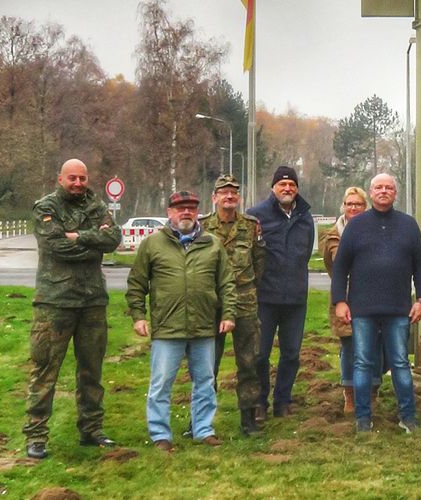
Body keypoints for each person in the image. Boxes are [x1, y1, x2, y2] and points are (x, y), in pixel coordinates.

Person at [23, 159, 122, 460]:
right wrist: (92, 242)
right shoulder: (46, 208)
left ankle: (91, 430)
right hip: (55, 303)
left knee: (92, 371)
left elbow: (113, 238)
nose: (78, 183)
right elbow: (56, 247)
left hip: (92, 301)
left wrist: (78, 236)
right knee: (45, 372)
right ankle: (36, 435)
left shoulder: (96, 205)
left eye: (82, 178)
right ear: (60, 179)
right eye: (72, 179)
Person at [126, 190, 236, 452]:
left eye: (191, 208)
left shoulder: (212, 244)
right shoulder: (153, 245)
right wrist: (138, 316)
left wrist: (229, 314)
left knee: (205, 381)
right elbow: (136, 283)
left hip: (203, 326)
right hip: (167, 328)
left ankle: (203, 429)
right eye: (180, 208)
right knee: (161, 383)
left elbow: (226, 283)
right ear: (170, 212)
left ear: (197, 212)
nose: (186, 212)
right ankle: (160, 434)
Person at [330, 173, 421, 434]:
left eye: (389, 188)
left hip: (399, 308)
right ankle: (363, 418)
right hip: (362, 309)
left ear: (395, 193)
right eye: (378, 187)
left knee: (399, 363)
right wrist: (340, 301)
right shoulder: (356, 226)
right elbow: (340, 267)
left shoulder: (408, 225)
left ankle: (407, 416)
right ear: (371, 193)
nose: (384, 191)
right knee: (362, 363)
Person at [198, 174, 265, 437]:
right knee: (206, 364)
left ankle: (249, 418)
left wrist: (246, 287)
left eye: (233, 193)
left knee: (249, 361)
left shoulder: (250, 227)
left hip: (244, 302)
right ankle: (202, 420)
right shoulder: (202, 227)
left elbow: (259, 262)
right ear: (214, 198)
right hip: (211, 304)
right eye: (224, 193)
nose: (229, 197)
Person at [247, 166, 314, 421]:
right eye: (282, 185)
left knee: (291, 354)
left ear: (297, 189)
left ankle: (283, 400)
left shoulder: (305, 217)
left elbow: (305, 253)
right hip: (265, 298)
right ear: (273, 188)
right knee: (260, 354)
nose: (287, 189)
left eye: (292, 185)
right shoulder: (256, 216)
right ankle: (260, 401)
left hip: (296, 298)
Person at [318, 186, 384, 413]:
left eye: (358, 204)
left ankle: (372, 392)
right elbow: (335, 263)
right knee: (349, 346)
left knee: (374, 345)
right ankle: (350, 395)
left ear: (365, 207)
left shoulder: (378, 229)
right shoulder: (331, 234)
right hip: (344, 298)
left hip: (374, 295)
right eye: (349, 204)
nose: (353, 208)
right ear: (343, 207)